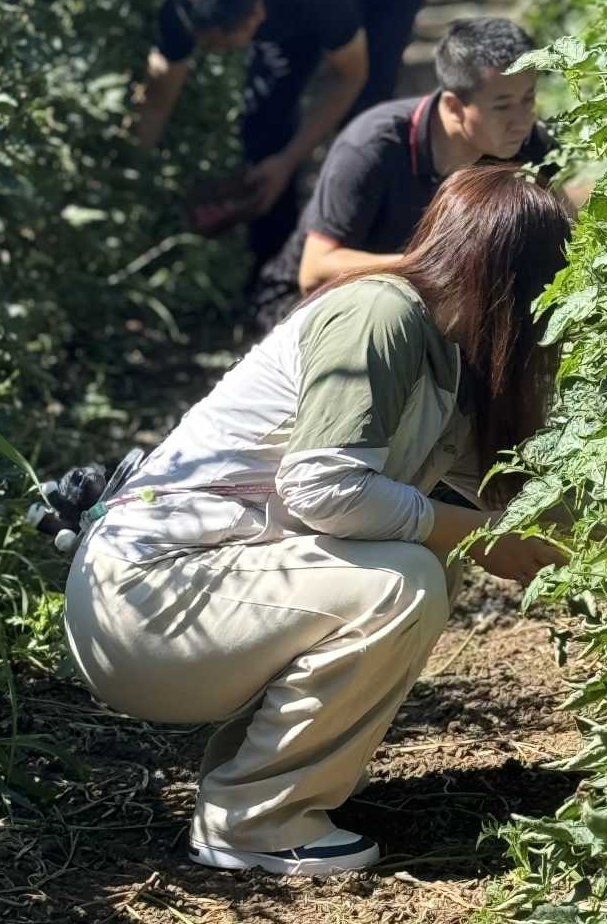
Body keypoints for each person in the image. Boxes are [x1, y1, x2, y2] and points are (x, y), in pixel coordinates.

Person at [64, 164, 573, 878]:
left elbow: (507, 499)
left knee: (422, 559)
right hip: (142, 600)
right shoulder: (383, 316)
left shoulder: (445, 355)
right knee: (403, 581)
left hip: (183, 595)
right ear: (511, 278)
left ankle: (255, 781)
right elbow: (323, 489)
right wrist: (484, 536)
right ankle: (256, 821)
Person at [135, 0, 433, 265]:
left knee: (362, 123)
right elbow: (157, 99)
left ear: (254, 16)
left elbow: (348, 77)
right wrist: (133, 182)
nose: (207, 48)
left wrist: (289, 160)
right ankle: (274, 268)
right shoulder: (190, 0)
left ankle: (365, 252)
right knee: (262, 119)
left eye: (217, 43)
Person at [251, 16, 558, 333]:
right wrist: (438, 268)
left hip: (428, 305)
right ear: (453, 107)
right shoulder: (372, 148)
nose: (522, 121)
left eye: (528, 99)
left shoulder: (530, 147)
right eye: (503, 106)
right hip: (308, 310)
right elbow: (316, 270)